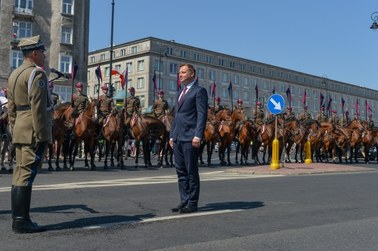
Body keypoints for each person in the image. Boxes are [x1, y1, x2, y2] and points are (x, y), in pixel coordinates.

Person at [7, 35, 53, 233]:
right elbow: (38, 108)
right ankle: (21, 221)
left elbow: (11, 107)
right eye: (42, 52)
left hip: (20, 130)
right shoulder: (37, 74)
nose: (44, 56)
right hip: (33, 130)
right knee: (26, 175)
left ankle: (19, 219)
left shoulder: (14, 73)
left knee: (19, 174)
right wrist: (43, 135)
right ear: (34, 53)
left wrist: (15, 127)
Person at [169, 63, 208, 214]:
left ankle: (192, 203)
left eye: (183, 72)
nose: (180, 75)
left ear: (192, 74)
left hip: (190, 137)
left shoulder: (199, 91)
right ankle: (184, 200)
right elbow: (176, 116)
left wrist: (198, 135)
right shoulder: (179, 92)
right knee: (181, 171)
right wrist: (172, 135)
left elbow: (202, 115)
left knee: (191, 171)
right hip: (178, 137)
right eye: (179, 72)